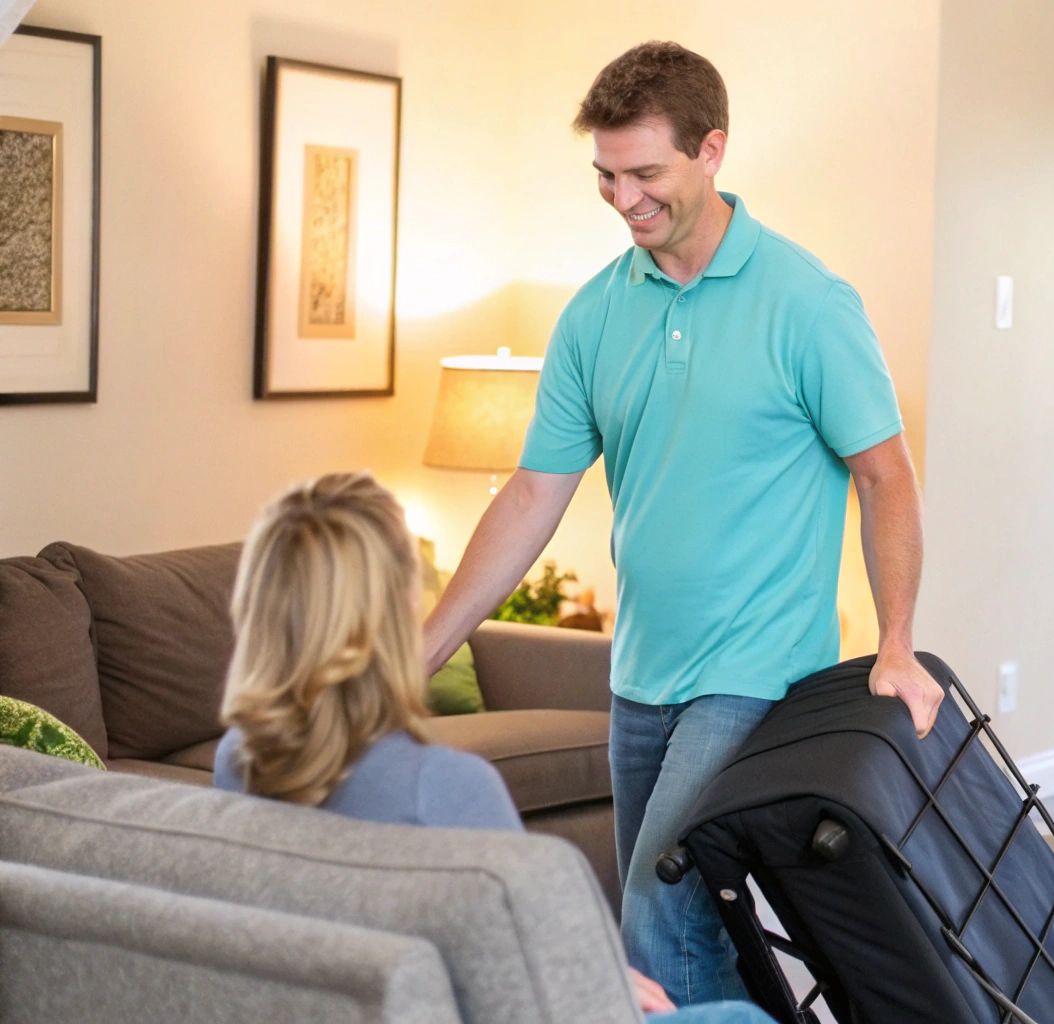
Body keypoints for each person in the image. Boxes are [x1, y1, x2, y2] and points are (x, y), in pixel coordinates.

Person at [421, 40, 945, 1007]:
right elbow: (535, 493)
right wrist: (421, 651)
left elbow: (886, 475)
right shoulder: (592, 316)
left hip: (754, 672)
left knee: (657, 913)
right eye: (606, 176)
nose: (624, 200)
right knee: (686, 920)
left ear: (711, 151)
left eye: (645, 173)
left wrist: (898, 642)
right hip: (639, 672)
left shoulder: (807, 303)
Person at [215, 471, 766, 1022]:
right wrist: (609, 980)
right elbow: (546, 980)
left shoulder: (237, 760)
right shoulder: (443, 787)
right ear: (397, 608)